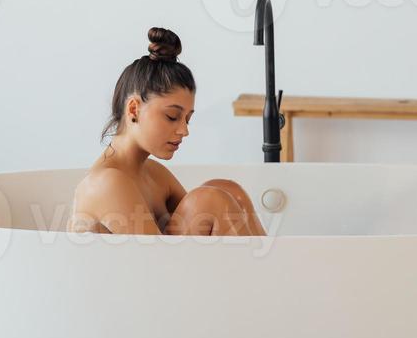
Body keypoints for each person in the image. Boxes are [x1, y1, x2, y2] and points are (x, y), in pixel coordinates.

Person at [66, 27, 267, 237]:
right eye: (172, 116)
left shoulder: (155, 174)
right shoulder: (106, 183)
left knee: (227, 190)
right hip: (147, 268)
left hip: (167, 266)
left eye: (187, 119)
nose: (184, 130)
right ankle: (269, 268)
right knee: (210, 200)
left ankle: (271, 266)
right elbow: (155, 263)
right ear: (134, 109)